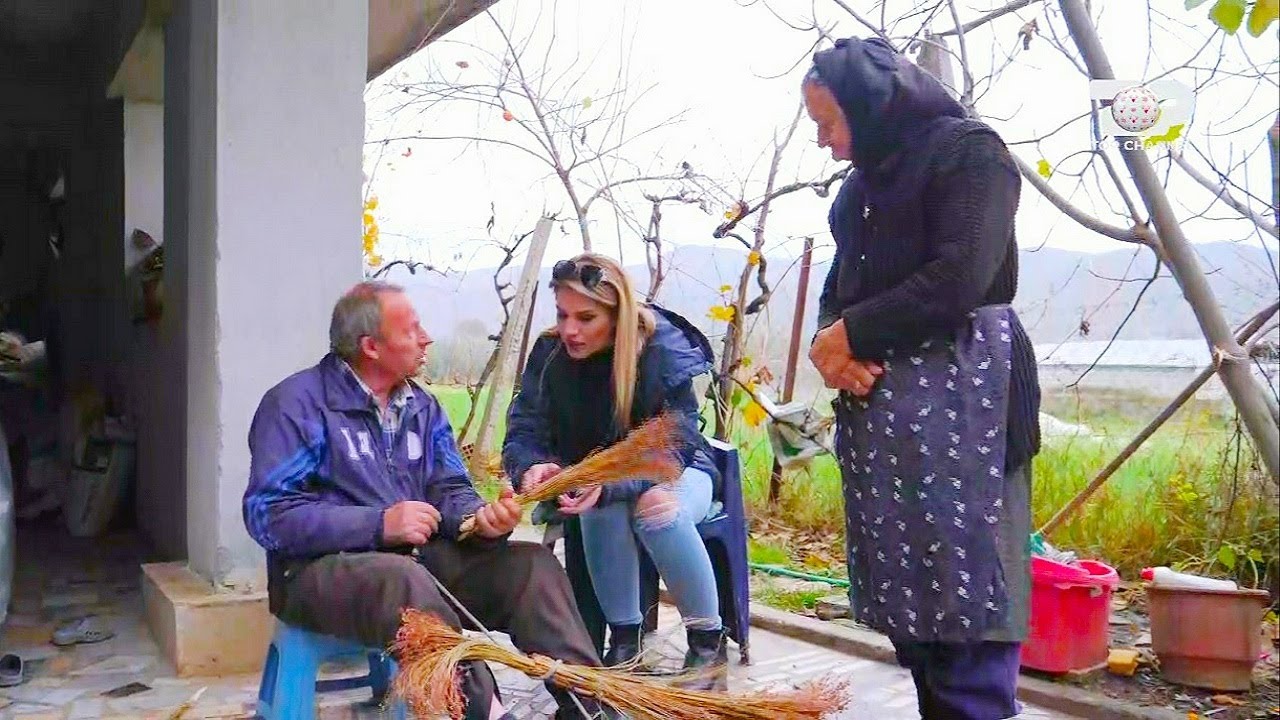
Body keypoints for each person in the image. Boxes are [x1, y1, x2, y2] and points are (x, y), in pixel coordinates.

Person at [242, 281, 615, 720]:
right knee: (402, 579)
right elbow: (269, 515)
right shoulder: (298, 405)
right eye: (411, 330)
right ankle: (486, 713)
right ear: (371, 347)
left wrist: (480, 518)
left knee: (531, 566)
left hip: (417, 563)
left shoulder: (422, 406)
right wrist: (378, 524)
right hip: (316, 575)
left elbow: (450, 488)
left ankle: (590, 707)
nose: (426, 338)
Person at [802, 37, 1041, 720]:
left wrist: (855, 333)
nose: (823, 142)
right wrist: (830, 344)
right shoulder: (859, 191)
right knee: (917, 618)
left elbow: (962, 275)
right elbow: (841, 284)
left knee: (971, 614)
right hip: (890, 433)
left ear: (871, 106)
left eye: (829, 122)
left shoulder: (971, 155)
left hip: (974, 411)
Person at [502, 253, 728, 691]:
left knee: (652, 506)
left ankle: (706, 644)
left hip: (676, 472)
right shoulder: (550, 354)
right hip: (594, 480)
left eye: (586, 317)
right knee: (597, 502)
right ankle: (625, 643)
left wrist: (609, 484)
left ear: (617, 313)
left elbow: (675, 446)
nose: (570, 329)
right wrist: (530, 467)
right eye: (562, 315)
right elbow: (524, 427)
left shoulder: (659, 350)